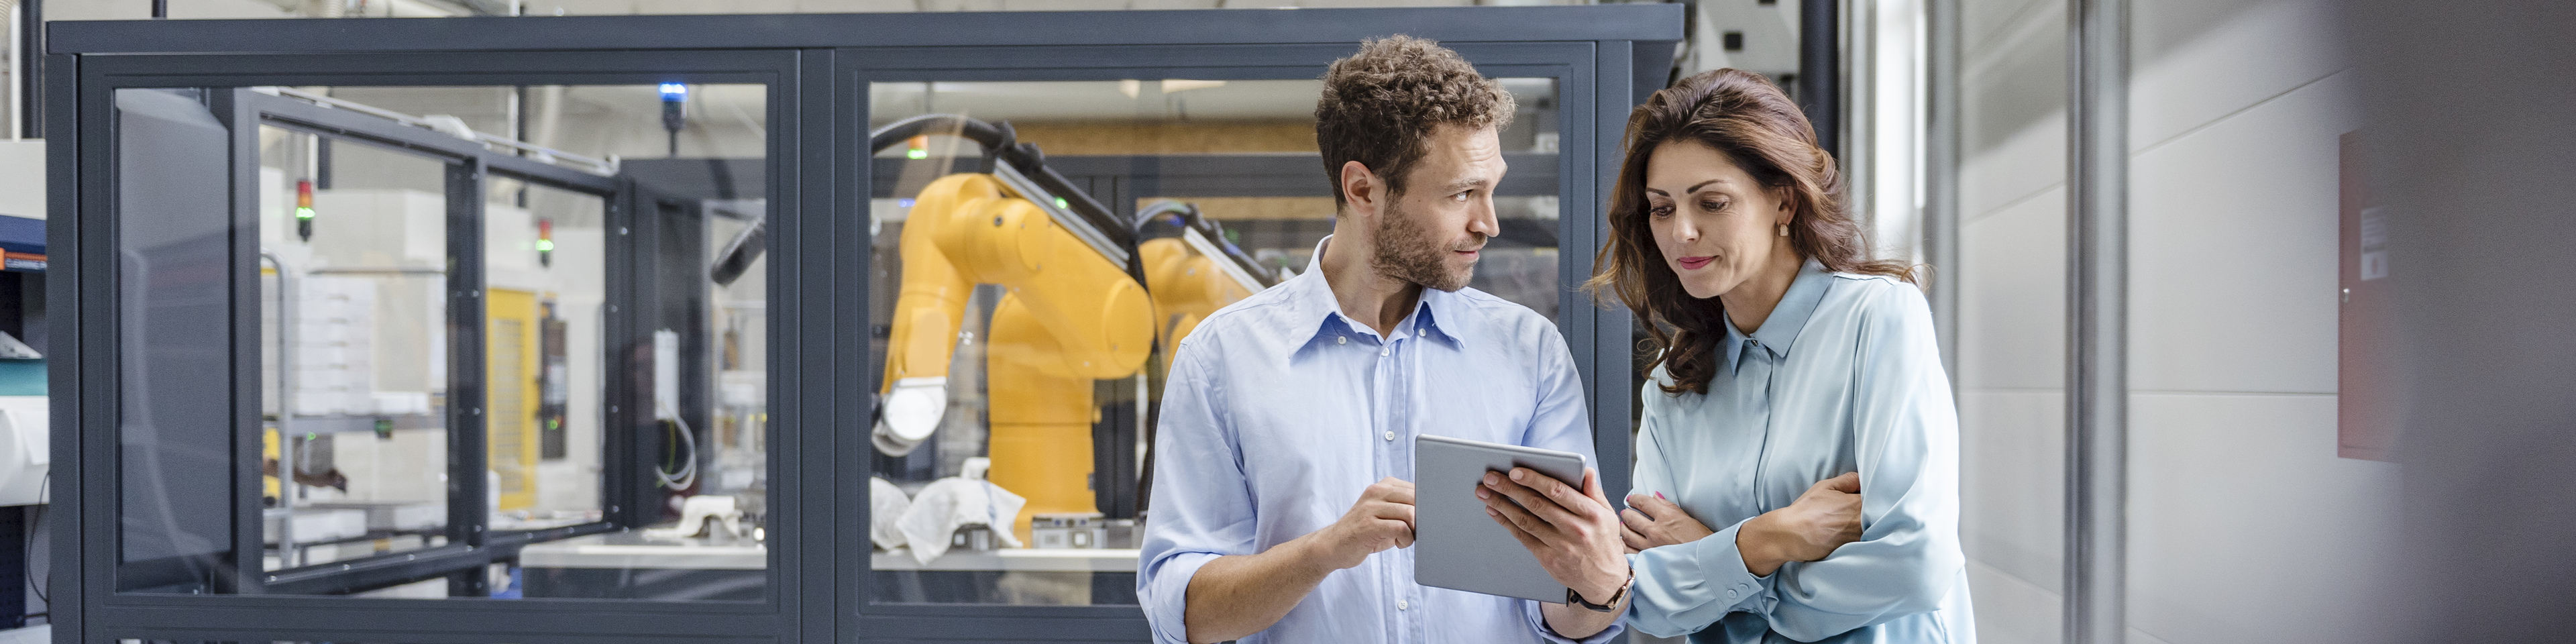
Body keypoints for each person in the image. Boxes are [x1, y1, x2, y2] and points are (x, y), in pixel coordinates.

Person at [1137, 35, 1623, 644]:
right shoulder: (1221, 359)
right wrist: (1327, 550)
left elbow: (1563, 614)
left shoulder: (1530, 352)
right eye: (1460, 194)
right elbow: (1184, 614)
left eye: (1490, 189)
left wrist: (1601, 588)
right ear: (1363, 189)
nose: (1489, 223)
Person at [1479, 68, 1972, 643]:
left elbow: (1914, 565)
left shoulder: (1878, 319)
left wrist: (1715, 561)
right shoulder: (1674, 383)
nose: (1681, 232)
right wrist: (1767, 540)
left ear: (1784, 202)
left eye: (1711, 203)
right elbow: (1645, 595)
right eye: (1661, 209)